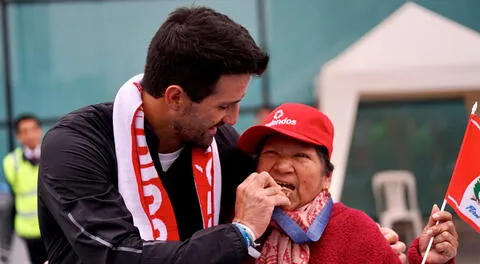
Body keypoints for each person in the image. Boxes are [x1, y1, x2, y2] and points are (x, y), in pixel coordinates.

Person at [38, 6, 410, 264]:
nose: (232, 118)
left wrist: (365, 238)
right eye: (223, 106)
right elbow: (117, 256)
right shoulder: (76, 147)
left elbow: (292, 208)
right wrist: (240, 234)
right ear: (175, 97)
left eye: (238, 104)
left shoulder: (222, 144)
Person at [237, 103, 458, 264]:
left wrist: (430, 262)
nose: (282, 167)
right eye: (271, 153)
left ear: (327, 178)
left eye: (300, 156)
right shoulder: (236, 224)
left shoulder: (356, 231)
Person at [3, 115, 48, 264]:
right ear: (18, 136)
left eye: (33, 129)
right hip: (28, 228)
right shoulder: (11, 162)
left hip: (52, 224)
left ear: (39, 131)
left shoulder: (51, 155)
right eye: (24, 131)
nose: (29, 135)